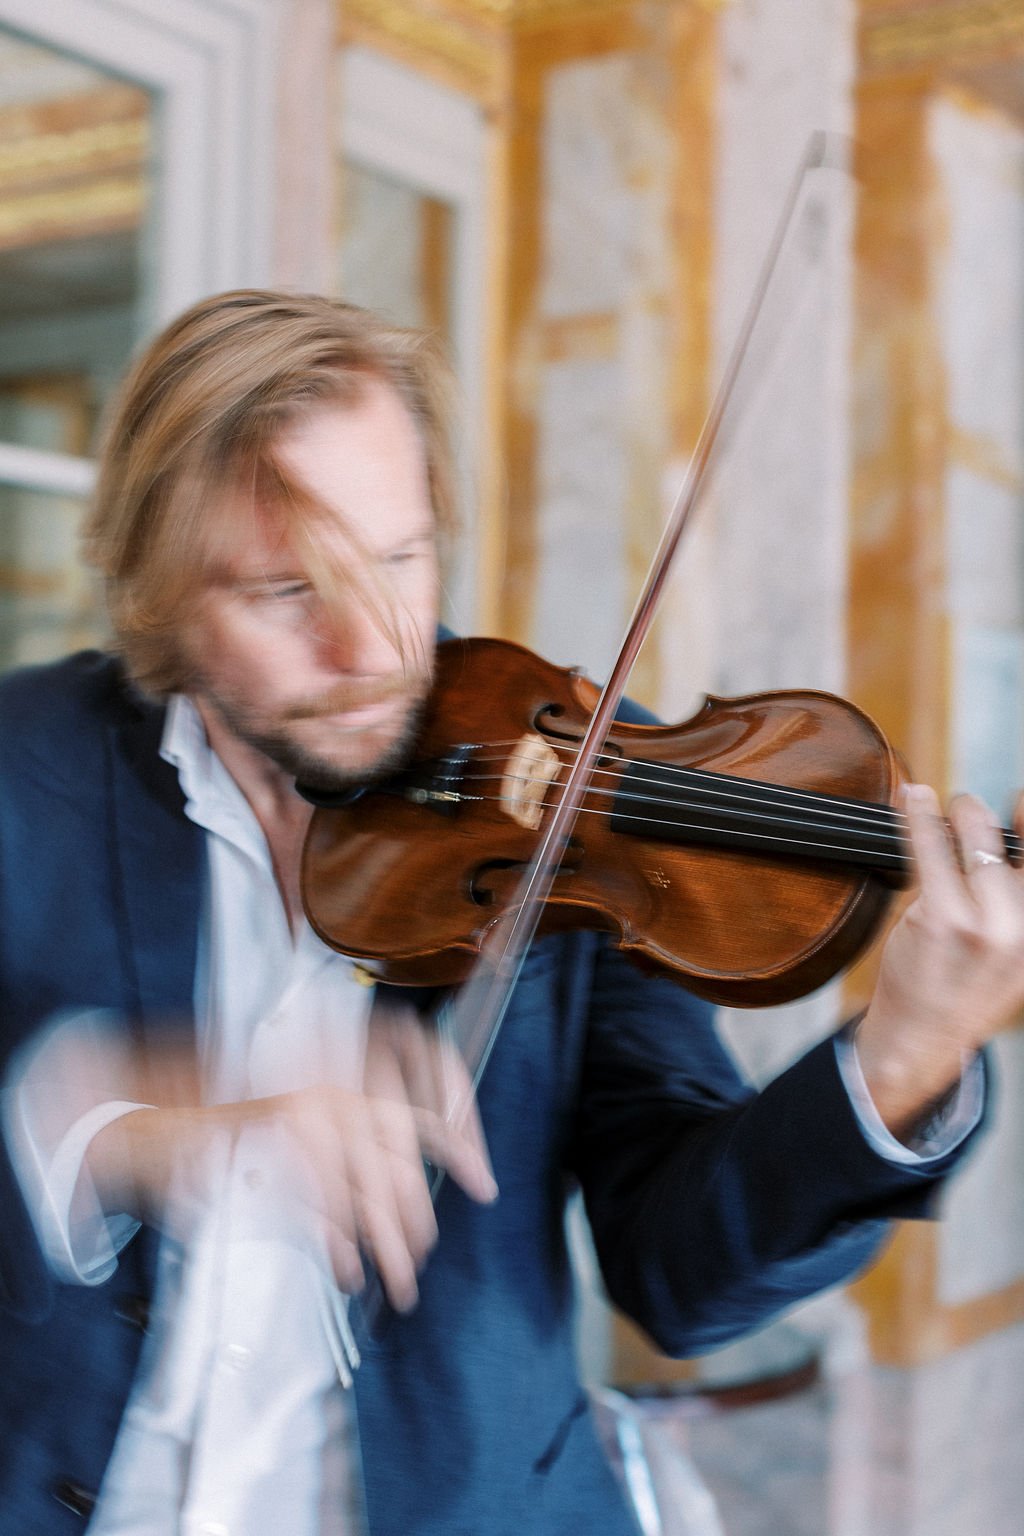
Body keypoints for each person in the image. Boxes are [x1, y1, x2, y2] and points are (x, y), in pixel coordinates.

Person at [0, 290, 1020, 1536]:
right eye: (283, 593)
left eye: (397, 558)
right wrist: (114, 1128)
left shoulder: (591, 783)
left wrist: (908, 1051)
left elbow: (682, 1276)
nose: (371, 644)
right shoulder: (23, 768)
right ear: (158, 592)